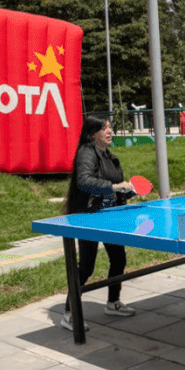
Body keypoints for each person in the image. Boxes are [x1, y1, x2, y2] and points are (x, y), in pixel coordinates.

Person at [61, 116, 139, 331]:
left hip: (109, 216)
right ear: (92, 133)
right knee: (86, 267)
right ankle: (69, 314)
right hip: (89, 217)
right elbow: (84, 181)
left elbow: (114, 187)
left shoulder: (110, 156)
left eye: (110, 127)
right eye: (104, 127)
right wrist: (114, 187)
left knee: (118, 259)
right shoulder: (87, 152)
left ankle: (113, 303)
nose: (109, 130)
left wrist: (128, 191)